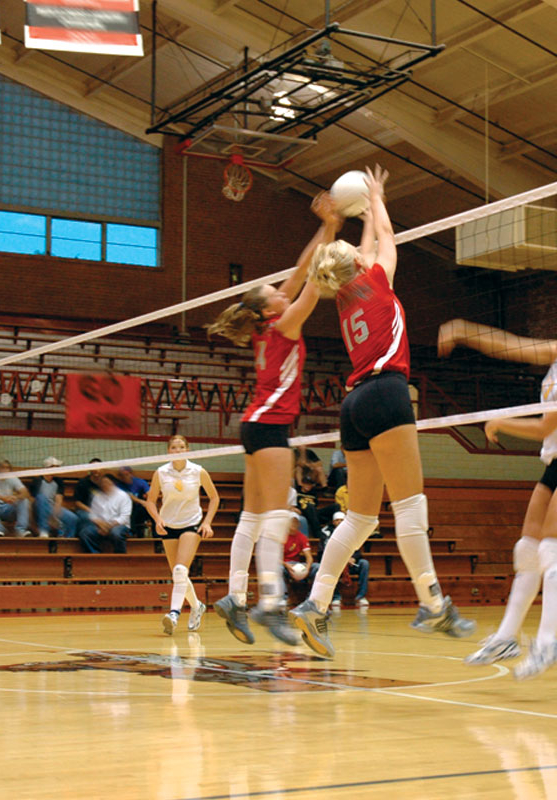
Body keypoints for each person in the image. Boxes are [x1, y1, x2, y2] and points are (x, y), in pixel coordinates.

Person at [289, 166, 475, 659]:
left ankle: (315, 605)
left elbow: (371, 246)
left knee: (361, 519)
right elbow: (386, 239)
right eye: (356, 248)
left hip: (353, 405)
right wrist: (377, 199)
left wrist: (368, 212)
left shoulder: (348, 294)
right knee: (410, 506)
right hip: (388, 394)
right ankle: (433, 602)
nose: (361, 246)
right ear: (355, 262)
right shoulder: (373, 279)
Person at [438, 310, 557, 679]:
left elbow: (544, 427)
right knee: (527, 551)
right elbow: (508, 345)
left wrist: (502, 422)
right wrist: (462, 329)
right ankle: (506, 637)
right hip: (555, 466)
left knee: (552, 551)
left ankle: (548, 643)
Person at [208, 191, 341, 646]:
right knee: (275, 514)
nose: (281, 289)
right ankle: (269, 603)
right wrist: (337, 242)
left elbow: (301, 268)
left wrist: (327, 225)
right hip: (268, 428)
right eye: (275, 292)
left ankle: (234, 597)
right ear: (270, 307)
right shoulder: (286, 322)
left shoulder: (269, 319)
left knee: (252, 514)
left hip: (255, 424)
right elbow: (315, 283)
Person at [144, 435, 220, 635]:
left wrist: (207, 522)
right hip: (168, 525)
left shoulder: (197, 471)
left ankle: (174, 614)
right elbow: (150, 501)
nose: (177, 451)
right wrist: (157, 519)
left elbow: (214, 497)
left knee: (179, 570)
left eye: (181, 447)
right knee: (180, 575)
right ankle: (197, 606)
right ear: (169, 451)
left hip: (191, 523)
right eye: (174, 448)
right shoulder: (161, 473)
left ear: (188, 449)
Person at [310, 511, 370, 610]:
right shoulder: (326, 534)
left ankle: (361, 596)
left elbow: (358, 552)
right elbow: (321, 553)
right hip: (335, 565)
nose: (339, 522)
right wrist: (340, 559)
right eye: (337, 520)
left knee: (364, 563)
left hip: (350, 565)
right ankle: (336, 597)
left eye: (342, 520)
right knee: (328, 569)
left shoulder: (352, 533)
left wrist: (353, 558)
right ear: (333, 522)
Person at [78, 474, 132, 554]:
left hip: (118, 525)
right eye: (102, 483)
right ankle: (95, 555)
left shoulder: (123, 496)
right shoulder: (97, 496)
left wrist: (108, 527)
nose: (104, 485)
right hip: (101, 525)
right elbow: (93, 515)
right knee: (85, 533)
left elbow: (124, 517)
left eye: (107, 483)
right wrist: (101, 525)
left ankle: (120, 556)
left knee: (116, 533)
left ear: (113, 483)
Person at [0, 459, 32, 537]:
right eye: (2, 467)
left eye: (7, 468)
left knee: (24, 500)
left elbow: (25, 493)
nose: (5, 470)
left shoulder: (13, 478)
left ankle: (20, 530)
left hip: (8, 509)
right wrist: (3, 498)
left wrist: (15, 497)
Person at [33, 457, 77, 538]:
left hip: (52, 507)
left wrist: (55, 516)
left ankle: (68, 538)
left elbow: (58, 500)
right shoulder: (38, 480)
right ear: (49, 468)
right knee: (41, 498)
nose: (58, 468)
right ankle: (44, 530)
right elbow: (34, 500)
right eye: (55, 466)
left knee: (73, 518)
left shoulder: (58, 481)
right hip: (40, 507)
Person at [116, 466, 151, 537]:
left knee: (153, 507)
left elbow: (150, 494)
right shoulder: (119, 486)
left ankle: (158, 536)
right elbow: (129, 496)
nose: (124, 477)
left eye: (126, 474)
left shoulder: (140, 482)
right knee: (130, 505)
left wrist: (149, 502)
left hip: (141, 510)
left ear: (130, 474)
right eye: (121, 475)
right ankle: (132, 532)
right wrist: (142, 502)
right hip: (126, 511)